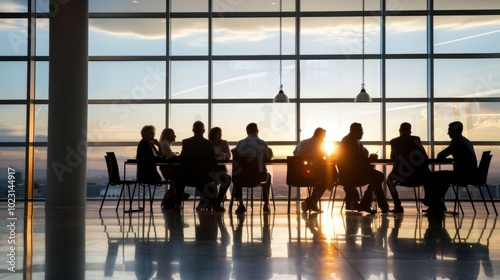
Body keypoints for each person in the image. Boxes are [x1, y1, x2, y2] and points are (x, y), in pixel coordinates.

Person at [423, 121, 478, 214]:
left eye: (449, 130)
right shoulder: (466, 141)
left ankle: (432, 202)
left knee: (431, 176)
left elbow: (440, 156)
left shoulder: (456, 141)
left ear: (454, 131)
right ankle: (437, 204)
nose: (448, 133)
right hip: (470, 174)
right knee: (443, 179)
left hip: (462, 175)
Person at [337, 122, 389, 214]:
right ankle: (371, 204)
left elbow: (360, 155)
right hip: (352, 175)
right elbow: (356, 159)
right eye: (361, 131)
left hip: (350, 174)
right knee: (378, 176)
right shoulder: (351, 141)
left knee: (376, 177)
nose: (362, 133)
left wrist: (367, 157)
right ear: (354, 131)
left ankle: (373, 204)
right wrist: (370, 158)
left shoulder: (351, 140)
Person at [180, 121, 226, 212]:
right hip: (207, 176)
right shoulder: (209, 144)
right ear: (204, 130)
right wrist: (219, 172)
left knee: (200, 183)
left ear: (193, 130)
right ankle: (217, 202)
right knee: (226, 179)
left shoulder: (186, 142)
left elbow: (183, 160)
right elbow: (213, 161)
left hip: (190, 176)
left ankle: (206, 201)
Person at [387, 122, 431, 213]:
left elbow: (393, 157)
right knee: (428, 176)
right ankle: (430, 202)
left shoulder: (393, 141)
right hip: (418, 177)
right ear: (410, 131)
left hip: (402, 176)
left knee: (389, 181)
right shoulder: (416, 139)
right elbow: (425, 156)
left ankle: (398, 205)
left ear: (399, 130)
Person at [234, 122, 274, 213]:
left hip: (242, 178)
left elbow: (236, 157)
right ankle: (266, 203)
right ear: (257, 131)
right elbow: (269, 157)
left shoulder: (240, 143)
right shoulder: (262, 143)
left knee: (237, 177)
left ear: (247, 131)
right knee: (268, 176)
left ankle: (241, 204)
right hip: (257, 178)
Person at [293, 127, 328, 213]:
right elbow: (322, 157)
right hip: (311, 175)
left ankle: (311, 202)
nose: (324, 138)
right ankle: (311, 201)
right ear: (320, 135)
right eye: (323, 136)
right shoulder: (319, 144)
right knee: (325, 181)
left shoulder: (302, 142)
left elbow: (294, 154)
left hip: (296, 175)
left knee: (322, 179)